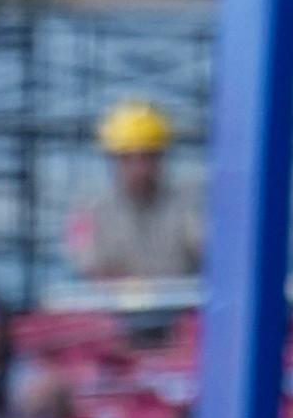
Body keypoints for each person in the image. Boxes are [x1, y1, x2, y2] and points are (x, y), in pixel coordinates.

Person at [65, 100, 200, 282]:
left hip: (179, 307)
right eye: (128, 158)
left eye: (148, 157)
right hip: (111, 309)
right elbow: (88, 267)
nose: (139, 169)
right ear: (113, 161)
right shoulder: (88, 210)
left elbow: (206, 251)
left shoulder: (188, 207)